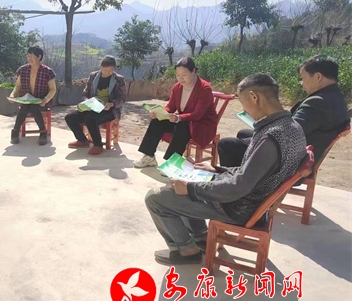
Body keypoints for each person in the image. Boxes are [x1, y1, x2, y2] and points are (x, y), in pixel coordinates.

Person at [144, 73, 307, 265]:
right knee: (189, 181)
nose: (245, 110)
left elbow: (238, 187)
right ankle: (201, 236)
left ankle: (185, 250)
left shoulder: (271, 137)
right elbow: (252, 172)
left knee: (155, 197)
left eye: (244, 103)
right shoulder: (291, 127)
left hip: (238, 206)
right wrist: (217, 170)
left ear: (254, 97)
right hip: (249, 199)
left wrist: (190, 188)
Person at [218, 55, 350, 168]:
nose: (301, 83)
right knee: (244, 133)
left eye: (303, 78)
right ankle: (245, 175)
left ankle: (242, 185)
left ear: (318, 77)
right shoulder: (337, 97)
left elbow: (288, 133)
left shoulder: (318, 102)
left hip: (290, 162)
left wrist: (266, 123)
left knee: (227, 145)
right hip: (303, 151)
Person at [134, 57, 218, 168]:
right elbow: (171, 107)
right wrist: (160, 113)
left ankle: (171, 163)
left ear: (193, 71)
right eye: (178, 75)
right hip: (184, 120)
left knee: (181, 126)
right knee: (156, 121)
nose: (180, 78)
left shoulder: (204, 88)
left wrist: (178, 118)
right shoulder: (177, 87)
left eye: (184, 75)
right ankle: (149, 157)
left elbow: (198, 114)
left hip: (201, 125)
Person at [64, 56, 126, 155]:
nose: (107, 73)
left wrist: (112, 104)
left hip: (110, 110)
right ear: (101, 67)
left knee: (90, 118)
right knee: (70, 117)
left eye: (110, 70)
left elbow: (122, 99)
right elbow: (85, 93)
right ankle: (82, 140)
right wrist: (88, 102)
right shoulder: (93, 76)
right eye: (105, 70)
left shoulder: (119, 79)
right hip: (93, 107)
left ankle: (98, 145)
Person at [9, 45, 57, 145]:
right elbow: (17, 87)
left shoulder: (48, 72)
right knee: (25, 106)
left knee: (34, 107)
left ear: (39, 57)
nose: (29, 58)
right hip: (26, 101)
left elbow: (53, 90)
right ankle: (15, 131)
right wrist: (12, 95)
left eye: (31, 56)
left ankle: (43, 133)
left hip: (42, 101)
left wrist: (45, 100)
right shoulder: (22, 70)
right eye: (28, 56)